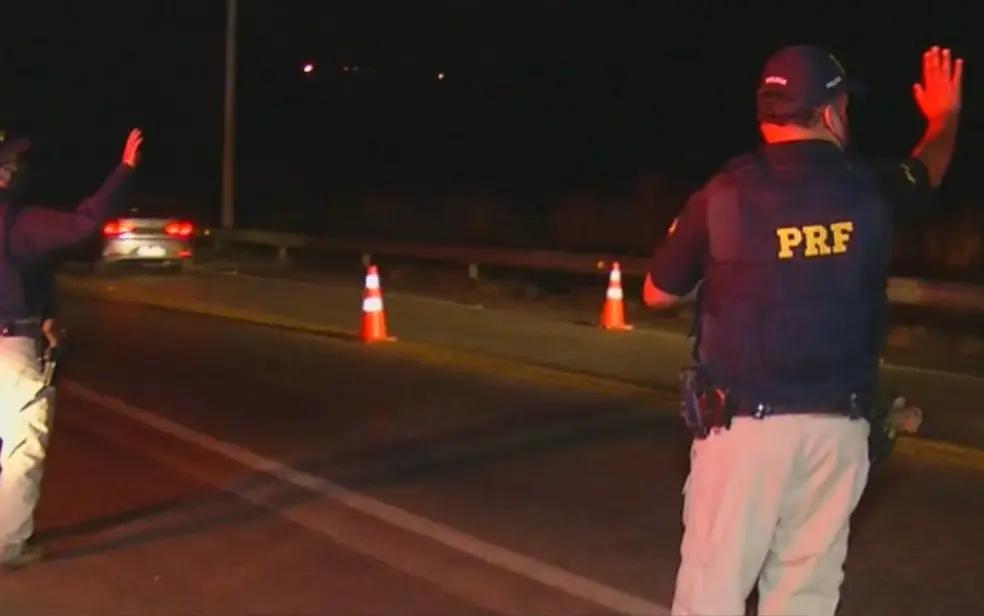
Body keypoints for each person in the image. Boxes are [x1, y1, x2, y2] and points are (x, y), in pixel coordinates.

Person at [643, 45, 962, 615]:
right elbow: (927, 171)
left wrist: (730, 268)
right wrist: (945, 118)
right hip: (837, 435)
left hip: (743, 433)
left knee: (711, 597)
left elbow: (657, 292)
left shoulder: (725, 193)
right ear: (830, 111)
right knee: (803, 599)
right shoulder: (869, 187)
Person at [0, 128, 143, 569]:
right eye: (10, 166)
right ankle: (7, 544)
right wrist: (125, 170)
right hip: (9, 348)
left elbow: (30, 273)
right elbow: (84, 222)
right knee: (22, 446)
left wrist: (45, 312)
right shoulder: (18, 221)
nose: (15, 172)